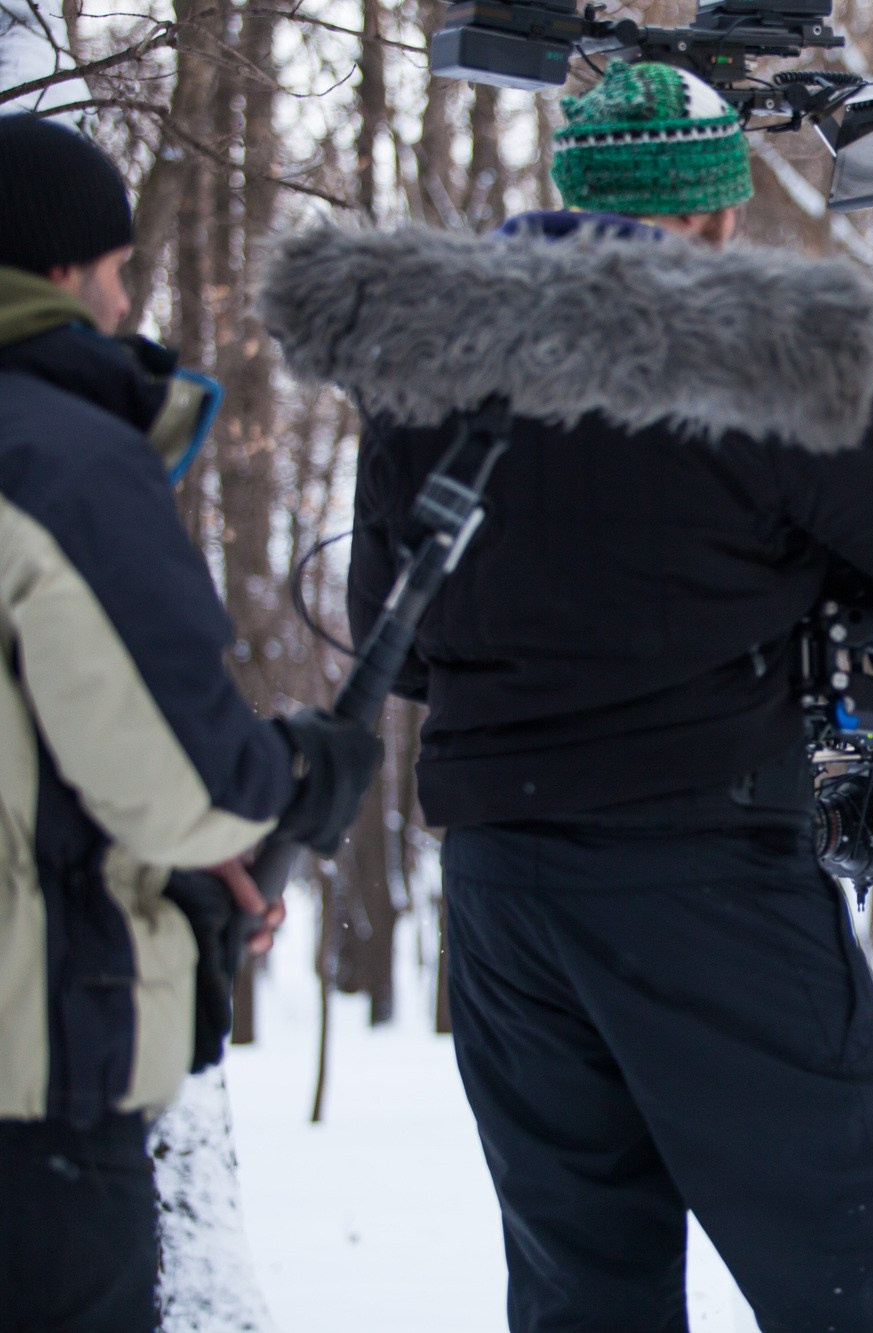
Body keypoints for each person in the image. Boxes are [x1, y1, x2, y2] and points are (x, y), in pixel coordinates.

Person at [256, 61, 873, 1333]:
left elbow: (409, 638)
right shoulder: (749, 352)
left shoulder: (422, 365)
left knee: (580, 1283)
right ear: (711, 212)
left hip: (502, 888)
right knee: (849, 1261)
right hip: (700, 866)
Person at [0, 116, 381, 1331]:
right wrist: (291, 776)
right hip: (32, 1098)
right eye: (116, 272)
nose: (124, 308)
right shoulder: (57, 457)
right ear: (59, 269)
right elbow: (184, 780)